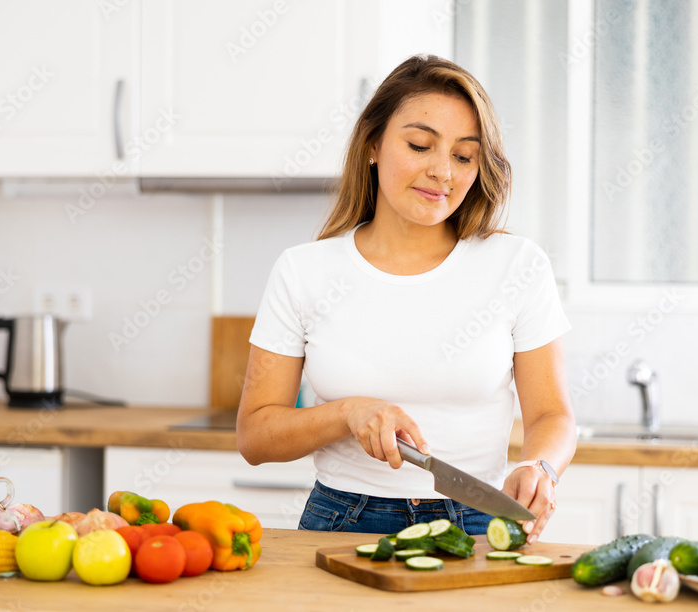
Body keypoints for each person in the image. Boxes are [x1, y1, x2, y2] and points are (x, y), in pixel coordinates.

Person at [237, 55, 575, 544]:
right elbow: (255, 436)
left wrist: (539, 465)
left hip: (478, 518)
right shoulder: (304, 271)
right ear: (373, 144)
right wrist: (346, 413)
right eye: (420, 145)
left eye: (463, 156)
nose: (443, 172)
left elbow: (552, 415)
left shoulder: (517, 265)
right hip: (341, 522)